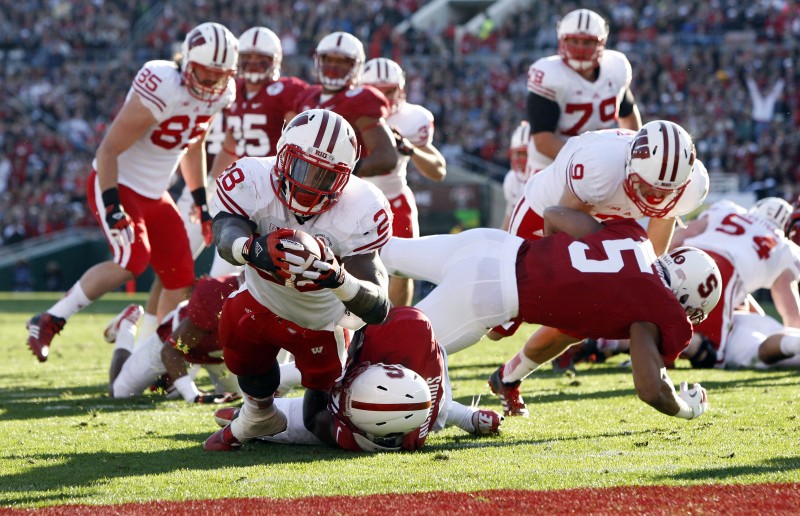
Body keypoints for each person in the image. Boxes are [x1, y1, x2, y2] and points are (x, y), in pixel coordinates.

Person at [380, 206, 722, 420]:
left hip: (492, 244)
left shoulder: (636, 237)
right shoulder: (656, 308)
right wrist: (687, 408)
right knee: (391, 349)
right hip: (490, 291)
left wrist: (552, 268)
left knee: (380, 252)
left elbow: (556, 214)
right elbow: (651, 389)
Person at [25, 22, 238, 363]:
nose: (212, 84)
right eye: (204, 73)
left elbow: (195, 143)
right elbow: (108, 149)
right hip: (117, 182)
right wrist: (112, 206)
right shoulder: (162, 83)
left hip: (156, 193)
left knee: (180, 278)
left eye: (219, 75)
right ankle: (49, 319)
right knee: (132, 259)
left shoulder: (221, 94)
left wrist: (200, 200)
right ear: (187, 62)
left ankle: (151, 358)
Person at [203, 109, 393, 451]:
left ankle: (266, 419)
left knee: (322, 422)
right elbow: (224, 232)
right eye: (302, 167)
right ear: (281, 154)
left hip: (322, 321)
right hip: (261, 303)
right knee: (234, 330)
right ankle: (258, 414)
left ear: (345, 178)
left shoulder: (363, 206)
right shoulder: (252, 176)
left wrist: (338, 278)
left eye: (324, 177)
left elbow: (379, 307)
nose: (309, 185)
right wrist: (253, 249)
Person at [211, 306, 502, 452]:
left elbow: (314, 417)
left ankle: (468, 418)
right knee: (438, 409)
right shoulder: (411, 334)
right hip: (419, 376)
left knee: (236, 419)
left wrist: (323, 379)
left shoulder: (360, 437)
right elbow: (433, 398)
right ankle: (468, 417)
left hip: (394, 406)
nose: (342, 390)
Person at [508, 121, 708, 256]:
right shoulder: (600, 165)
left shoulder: (692, 186)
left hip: (606, 212)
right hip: (546, 206)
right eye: (648, 187)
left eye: (665, 192)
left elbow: (654, 254)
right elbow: (561, 221)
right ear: (629, 166)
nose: (655, 196)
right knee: (516, 280)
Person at [669, 197, 800, 367]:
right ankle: (663, 345)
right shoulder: (783, 246)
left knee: (656, 315)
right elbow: (791, 314)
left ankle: (643, 344)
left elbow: (681, 236)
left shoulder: (728, 209)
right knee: (712, 355)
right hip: (722, 272)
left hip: (685, 258)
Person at [360, 57, 447, 306]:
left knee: (403, 269)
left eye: (388, 91)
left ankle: (394, 329)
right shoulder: (348, 112)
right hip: (353, 198)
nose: (383, 98)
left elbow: (438, 171)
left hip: (394, 198)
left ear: (401, 89)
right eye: (375, 91)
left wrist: (410, 150)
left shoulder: (412, 119)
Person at [524, 8, 641, 175]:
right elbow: (543, 141)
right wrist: (589, 162)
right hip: (551, 167)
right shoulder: (550, 75)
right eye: (574, 41)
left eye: (587, 42)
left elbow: (628, 116)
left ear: (601, 43)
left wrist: (633, 153)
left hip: (599, 164)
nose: (580, 48)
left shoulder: (615, 67)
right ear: (562, 41)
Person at [107, 275, 241, 403]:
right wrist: (192, 395)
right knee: (120, 392)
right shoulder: (218, 293)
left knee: (237, 395)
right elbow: (170, 351)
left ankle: (171, 383)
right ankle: (126, 326)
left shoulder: (259, 298)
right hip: (175, 343)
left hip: (218, 355)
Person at [290, 31, 398, 179]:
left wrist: (334, 176)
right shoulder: (307, 96)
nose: (333, 66)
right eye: (328, 60)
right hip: (299, 181)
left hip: (340, 190)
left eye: (342, 62)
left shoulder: (361, 98)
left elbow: (386, 157)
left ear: (356, 66)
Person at [501, 121, 530, 231]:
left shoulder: (546, 176)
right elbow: (510, 213)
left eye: (524, 154)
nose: (519, 158)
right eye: (517, 153)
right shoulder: (512, 178)